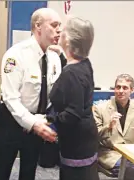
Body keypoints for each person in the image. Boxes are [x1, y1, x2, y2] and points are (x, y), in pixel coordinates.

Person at [0, 8, 64, 180]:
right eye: (54, 25)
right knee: (0, 172)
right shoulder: (16, 55)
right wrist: (33, 124)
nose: (59, 30)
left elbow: (54, 96)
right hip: (11, 122)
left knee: (28, 172)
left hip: (36, 122)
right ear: (38, 26)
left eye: (60, 25)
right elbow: (11, 99)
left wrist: (47, 121)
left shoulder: (54, 59)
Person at [46, 17, 100, 180]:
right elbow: (74, 81)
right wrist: (62, 56)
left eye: (63, 30)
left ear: (68, 40)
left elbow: (72, 114)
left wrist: (48, 119)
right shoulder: (84, 63)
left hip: (76, 143)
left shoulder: (71, 73)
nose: (59, 32)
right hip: (86, 137)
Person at [93, 74, 134, 179]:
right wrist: (109, 126)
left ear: (131, 90)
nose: (120, 91)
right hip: (111, 154)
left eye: (125, 87)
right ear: (114, 89)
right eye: (118, 87)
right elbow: (95, 136)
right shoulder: (100, 108)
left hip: (133, 153)